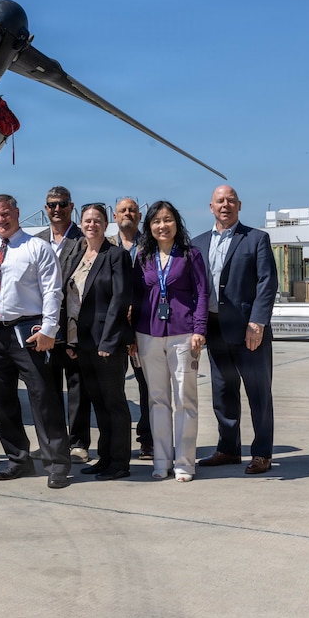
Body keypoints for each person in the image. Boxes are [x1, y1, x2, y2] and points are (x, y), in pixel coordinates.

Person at [0, 194, 72, 489]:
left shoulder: (37, 247)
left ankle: (57, 463)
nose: (1, 220)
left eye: (5, 214)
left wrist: (50, 329)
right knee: (1, 398)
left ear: (17, 213)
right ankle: (18, 459)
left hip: (28, 330)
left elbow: (53, 291)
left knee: (43, 397)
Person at [192, 185, 278, 475]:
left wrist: (258, 322)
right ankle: (228, 449)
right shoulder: (198, 244)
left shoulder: (256, 239)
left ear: (239, 206)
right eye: (220, 201)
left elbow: (267, 283)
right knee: (223, 391)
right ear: (211, 207)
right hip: (215, 329)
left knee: (258, 394)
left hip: (248, 330)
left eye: (230, 201)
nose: (225, 205)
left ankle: (262, 453)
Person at [130, 200, 208, 483]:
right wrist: (132, 336)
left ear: (177, 223)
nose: (162, 226)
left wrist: (200, 329)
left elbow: (202, 294)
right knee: (157, 400)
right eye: (156, 221)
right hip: (148, 335)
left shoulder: (191, 255)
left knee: (185, 400)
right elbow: (136, 298)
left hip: (184, 335)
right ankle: (161, 461)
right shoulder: (143, 258)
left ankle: (185, 462)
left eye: (168, 220)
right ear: (149, 227)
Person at [62, 204, 136, 481]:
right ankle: (105, 458)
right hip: (83, 343)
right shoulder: (79, 255)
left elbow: (120, 299)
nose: (91, 224)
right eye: (87, 220)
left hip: (107, 344)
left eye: (97, 220)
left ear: (107, 225)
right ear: (80, 224)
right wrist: (69, 340)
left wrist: (109, 340)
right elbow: (69, 300)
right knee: (98, 403)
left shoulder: (115, 255)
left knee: (114, 402)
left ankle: (120, 462)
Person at [36, 186, 89, 463]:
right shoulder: (38, 240)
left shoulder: (83, 240)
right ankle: (54, 442)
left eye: (62, 204)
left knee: (77, 386)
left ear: (71, 207)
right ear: (45, 208)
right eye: (52, 205)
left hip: (73, 327)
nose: (57, 209)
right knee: (48, 388)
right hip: (45, 328)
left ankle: (78, 442)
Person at [108, 197, 153, 459]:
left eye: (132, 210)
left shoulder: (150, 245)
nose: (128, 213)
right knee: (113, 386)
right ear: (115, 217)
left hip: (142, 325)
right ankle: (117, 442)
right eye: (123, 210)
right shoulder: (106, 245)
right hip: (114, 327)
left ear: (139, 216)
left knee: (147, 386)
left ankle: (147, 439)